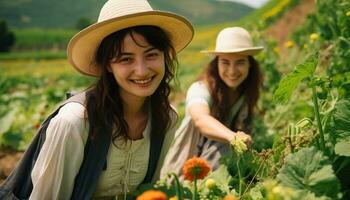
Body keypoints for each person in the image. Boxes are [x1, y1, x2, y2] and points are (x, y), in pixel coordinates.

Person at [1, 0, 194, 199]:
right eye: (126, 59)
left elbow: (147, 192)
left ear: (164, 56)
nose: (142, 70)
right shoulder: (75, 121)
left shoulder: (166, 118)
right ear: (108, 65)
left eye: (151, 54)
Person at [161, 27, 263, 178]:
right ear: (217, 64)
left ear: (250, 64)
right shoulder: (200, 89)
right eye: (225, 62)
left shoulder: (245, 94)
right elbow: (200, 119)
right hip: (181, 175)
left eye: (240, 62)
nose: (232, 70)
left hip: (218, 174)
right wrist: (232, 137)